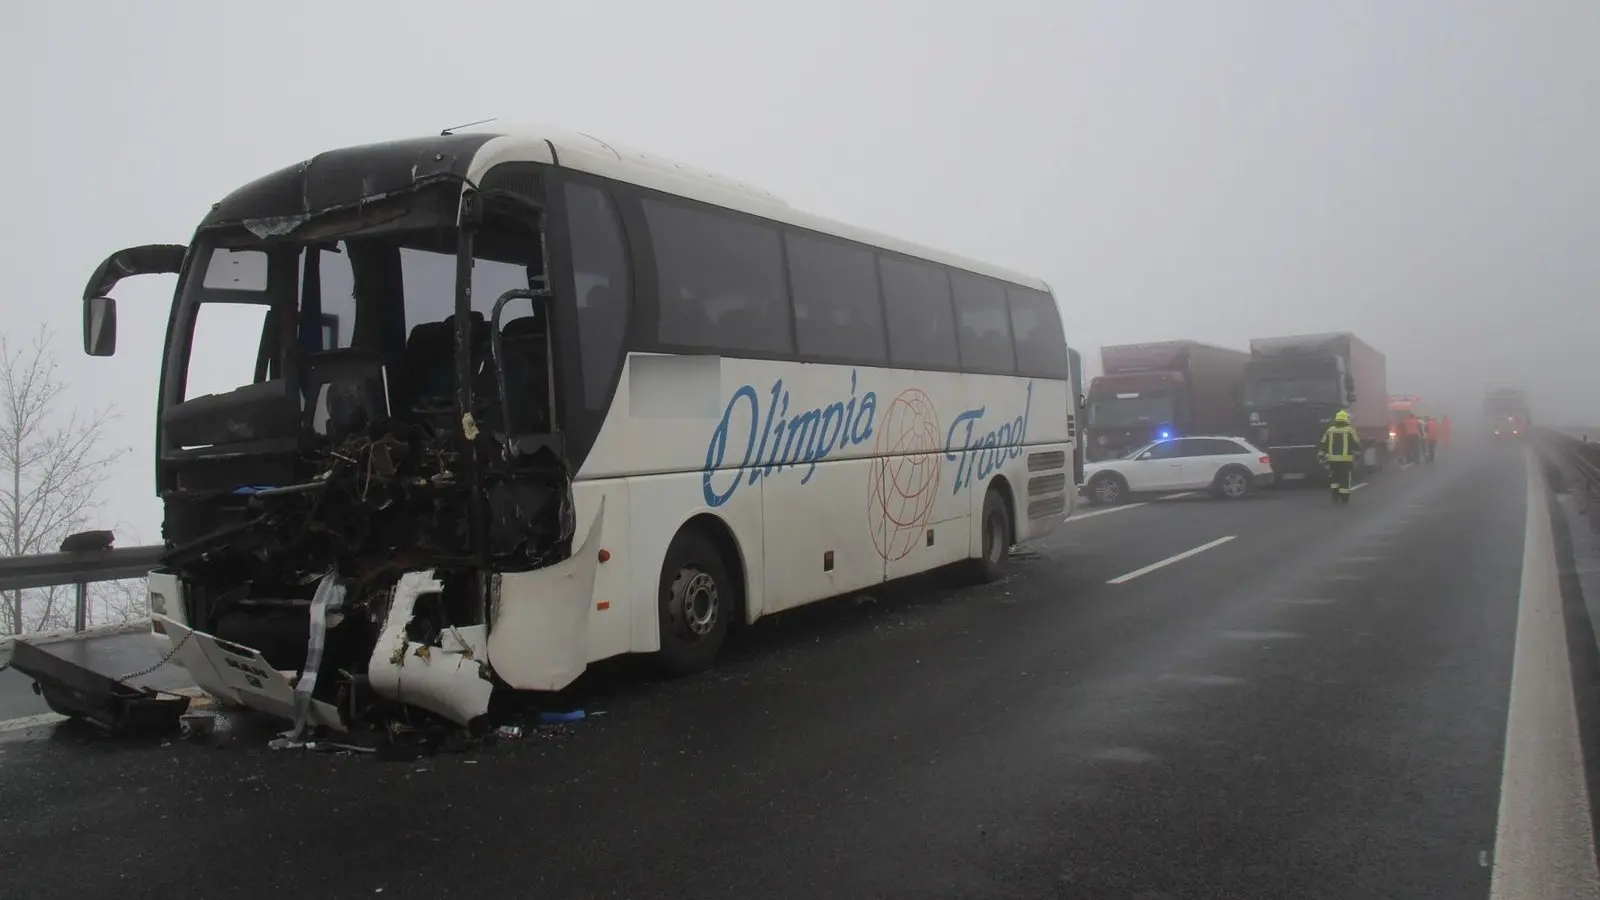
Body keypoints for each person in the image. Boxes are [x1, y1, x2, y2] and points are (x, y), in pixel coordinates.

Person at [1320, 409, 1363, 504]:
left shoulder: (1330, 430)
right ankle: (1344, 498)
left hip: (1333, 460)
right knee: (1344, 479)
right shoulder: (1349, 430)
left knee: (1334, 478)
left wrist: (1322, 456)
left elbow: (1323, 443)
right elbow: (1356, 444)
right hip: (1345, 460)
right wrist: (1357, 456)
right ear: (1346, 419)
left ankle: (1335, 497)